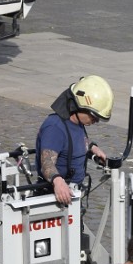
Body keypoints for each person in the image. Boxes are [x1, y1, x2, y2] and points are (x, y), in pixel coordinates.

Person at [35, 75, 113, 205]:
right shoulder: (55, 127)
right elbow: (47, 162)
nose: (97, 121)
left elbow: (72, 142)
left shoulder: (77, 123)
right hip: (56, 197)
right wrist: (58, 182)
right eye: (94, 115)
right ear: (79, 106)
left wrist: (91, 148)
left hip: (73, 194)